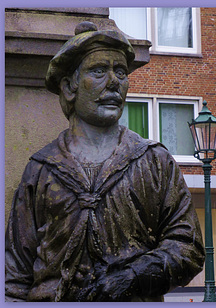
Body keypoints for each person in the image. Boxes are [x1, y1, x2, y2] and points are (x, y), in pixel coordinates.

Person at [5, 22, 205, 302]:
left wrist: (134, 276)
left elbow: (189, 247)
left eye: (120, 72)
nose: (114, 81)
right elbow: (14, 276)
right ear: (69, 87)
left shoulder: (153, 160)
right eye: (99, 71)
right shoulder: (41, 169)